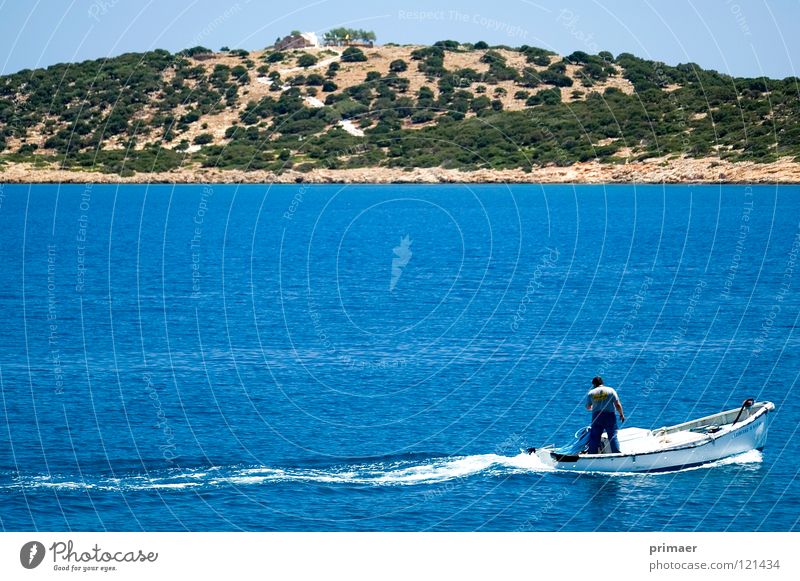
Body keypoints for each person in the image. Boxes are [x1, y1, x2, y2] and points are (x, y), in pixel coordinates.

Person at [585, 376, 625, 454]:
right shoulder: (611, 390)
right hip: (609, 415)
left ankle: (592, 454)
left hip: (597, 416)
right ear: (602, 382)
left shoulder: (591, 393)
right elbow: (617, 404)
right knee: (612, 435)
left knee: (595, 436)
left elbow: (588, 407)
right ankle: (616, 453)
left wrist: (594, 407)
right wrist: (621, 414)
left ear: (594, 384)